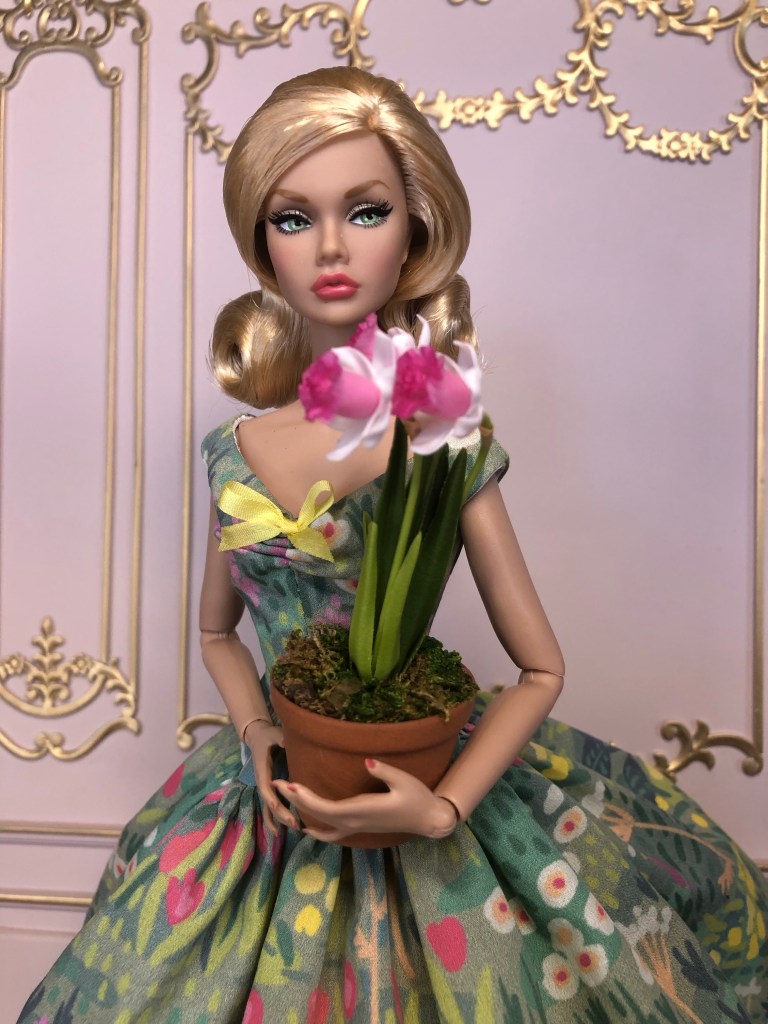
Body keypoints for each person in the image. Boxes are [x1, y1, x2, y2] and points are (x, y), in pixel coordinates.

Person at [18, 66, 767, 1024]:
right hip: (278, 784)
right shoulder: (234, 451)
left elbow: (541, 667)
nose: (331, 247)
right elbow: (216, 631)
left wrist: (444, 807)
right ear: (262, 243)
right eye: (294, 218)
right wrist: (256, 734)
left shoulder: (443, 440)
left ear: (413, 228)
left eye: (365, 211)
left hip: (419, 767)